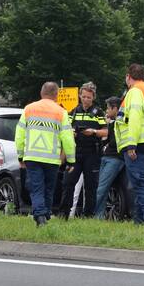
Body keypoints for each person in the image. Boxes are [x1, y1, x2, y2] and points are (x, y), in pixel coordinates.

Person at [15, 82, 75, 226]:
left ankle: (42, 216)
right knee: (49, 188)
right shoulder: (61, 112)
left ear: (41, 93)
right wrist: (71, 160)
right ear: (56, 95)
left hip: (32, 157)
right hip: (52, 159)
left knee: (36, 187)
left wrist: (20, 156)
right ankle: (43, 214)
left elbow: (19, 135)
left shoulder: (29, 109)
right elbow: (67, 138)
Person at [115, 64, 144, 226]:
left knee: (140, 184)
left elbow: (134, 117)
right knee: (141, 183)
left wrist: (131, 144)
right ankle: (139, 221)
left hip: (137, 142)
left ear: (128, 76)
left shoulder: (134, 91)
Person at [61, 82, 106, 218]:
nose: (86, 100)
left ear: (93, 98)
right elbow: (65, 130)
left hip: (92, 152)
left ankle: (88, 215)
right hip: (75, 152)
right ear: (80, 96)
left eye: (89, 97)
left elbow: (106, 132)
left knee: (91, 186)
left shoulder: (98, 112)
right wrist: (72, 133)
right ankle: (64, 214)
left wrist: (93, 131)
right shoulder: (73, 112)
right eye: (84, 97)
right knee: (68, 182)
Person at [93, 96, 126, 219]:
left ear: (115, 108)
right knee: (102, 188)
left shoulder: (121, 123)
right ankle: (99, 216)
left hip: (115, 159)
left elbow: (115, 142)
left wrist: (107, 146)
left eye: (108, 108)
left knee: (101, 188)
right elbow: (107, 141)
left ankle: (94, 215)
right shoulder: (113, 123)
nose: (106, 111)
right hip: (107, 157)